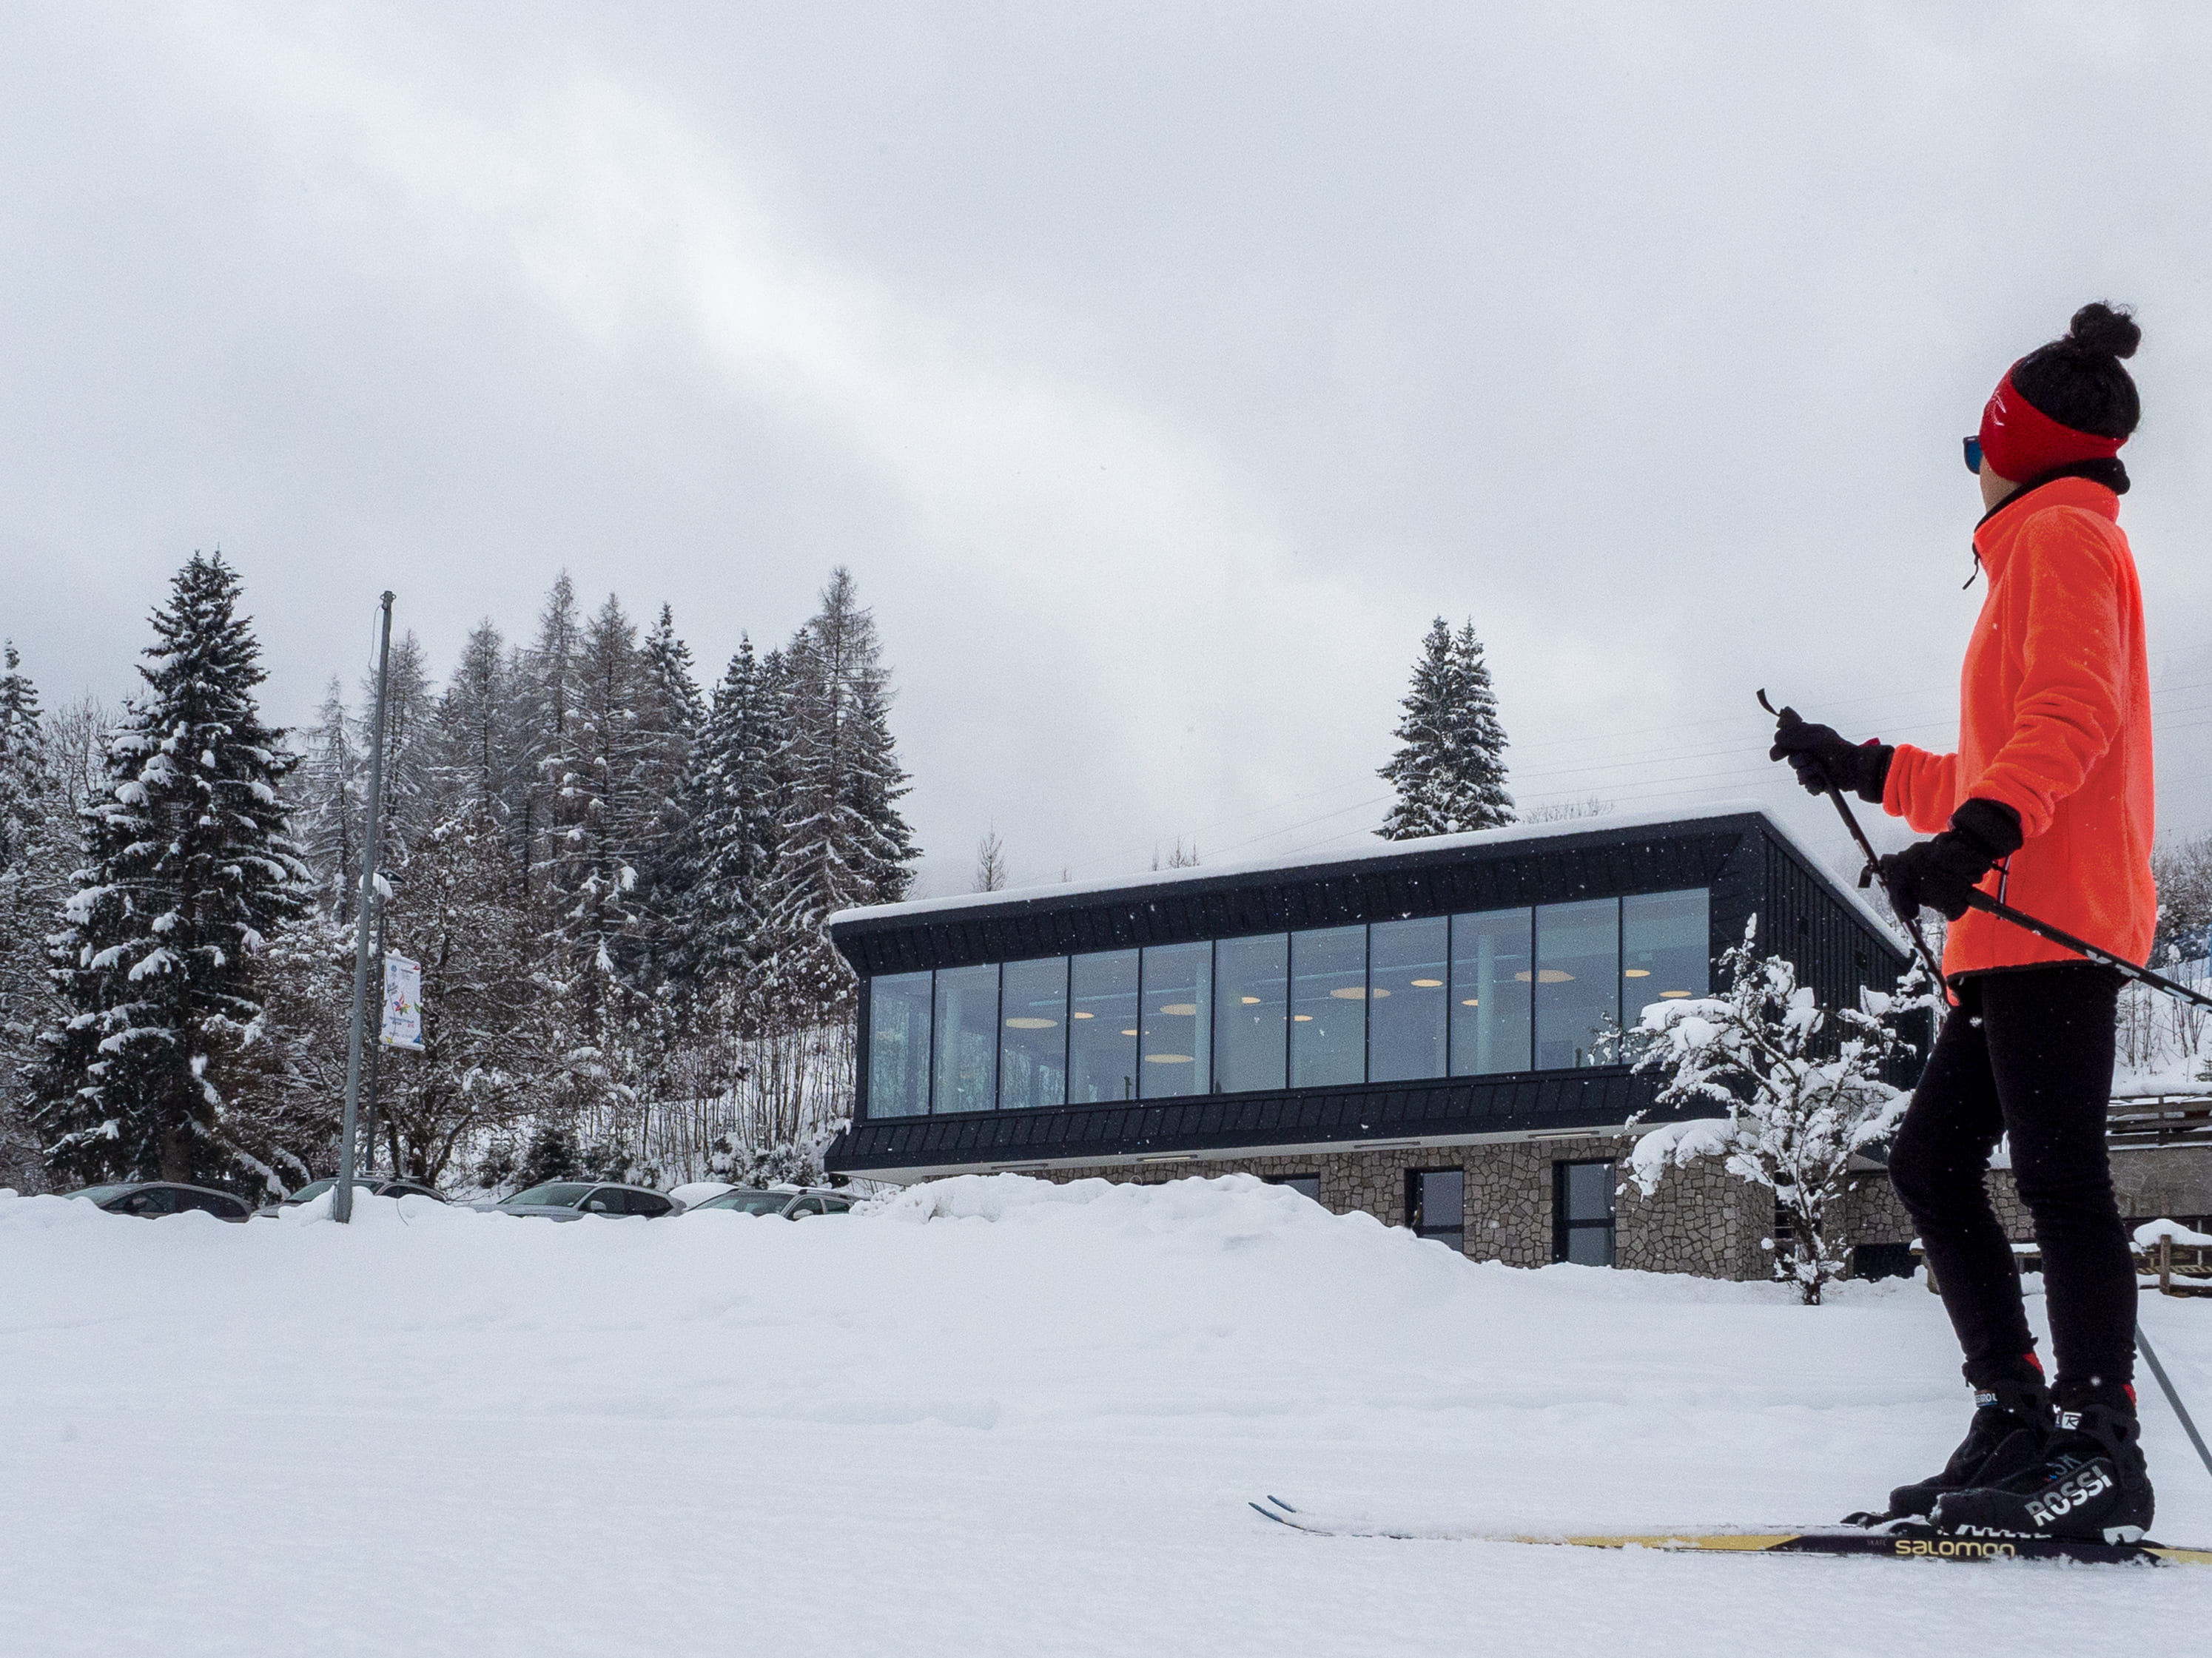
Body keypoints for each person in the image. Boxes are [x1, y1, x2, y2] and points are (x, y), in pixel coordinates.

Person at [1769, 303, 2156, 1542]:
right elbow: (1998, 758)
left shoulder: (2055, 538)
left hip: (2050, 916)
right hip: (2008, 924)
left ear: (2013, 448)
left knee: (2057, 1174)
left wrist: (1980, 840)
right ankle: (2015, 1411)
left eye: (1973, 446)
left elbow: (2069, 719)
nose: (1971, 465)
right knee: (1932, 1162)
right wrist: (1862, 764)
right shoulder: (2037, 543)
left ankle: (2099, 1447)